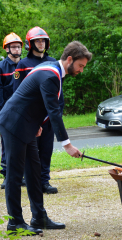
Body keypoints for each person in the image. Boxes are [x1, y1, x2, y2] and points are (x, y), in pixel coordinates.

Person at [0, 41, 92, 235]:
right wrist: (67, 145)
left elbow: (38, 100)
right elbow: (54, 110)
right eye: (80, 65)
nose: (81, 70)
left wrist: (38, 125)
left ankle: (38, 217)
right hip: (14, 123)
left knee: (34, 171)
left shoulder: (52, 70)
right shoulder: (51, 74)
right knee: (15, 176)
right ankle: (15, 223)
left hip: (28, 125)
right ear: (69, 59)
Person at [13, 26, 63, 194]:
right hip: (31, 119)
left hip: (49, 118)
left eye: (43, 40)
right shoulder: (23, 64)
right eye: (37, 41)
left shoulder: (54, 63)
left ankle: (44, 182)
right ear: (30, 44)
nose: (41, 43)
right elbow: (18, 94)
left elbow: (59, 93)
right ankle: (32, 182)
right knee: (31, 153)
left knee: (46, 151)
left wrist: (58, 115)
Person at [0, 33, 25, 189]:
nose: (17, 49)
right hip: (6, 113)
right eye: (14, 46)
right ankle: (6, 176)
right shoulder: (1, 67)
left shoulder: (25, 64)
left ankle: (20, 175)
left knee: (22, 144)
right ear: (7, 49)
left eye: (19, 46)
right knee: (6, 145)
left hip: (23, 113)